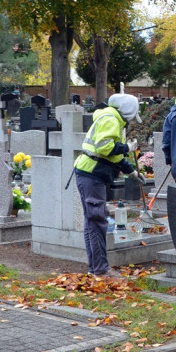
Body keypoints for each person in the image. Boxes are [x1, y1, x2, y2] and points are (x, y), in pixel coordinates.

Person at [73, 93, 141, 277]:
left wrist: (131, 171)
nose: (132, 121)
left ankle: (95, 268)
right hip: (92, 174)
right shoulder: (111, 119)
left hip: (89, 173)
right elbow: (104, 148)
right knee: (97, 220)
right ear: (128, 111)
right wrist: (127, 147)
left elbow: (114, 156)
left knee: (92, 221)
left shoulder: (112, 118)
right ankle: (101, 270)